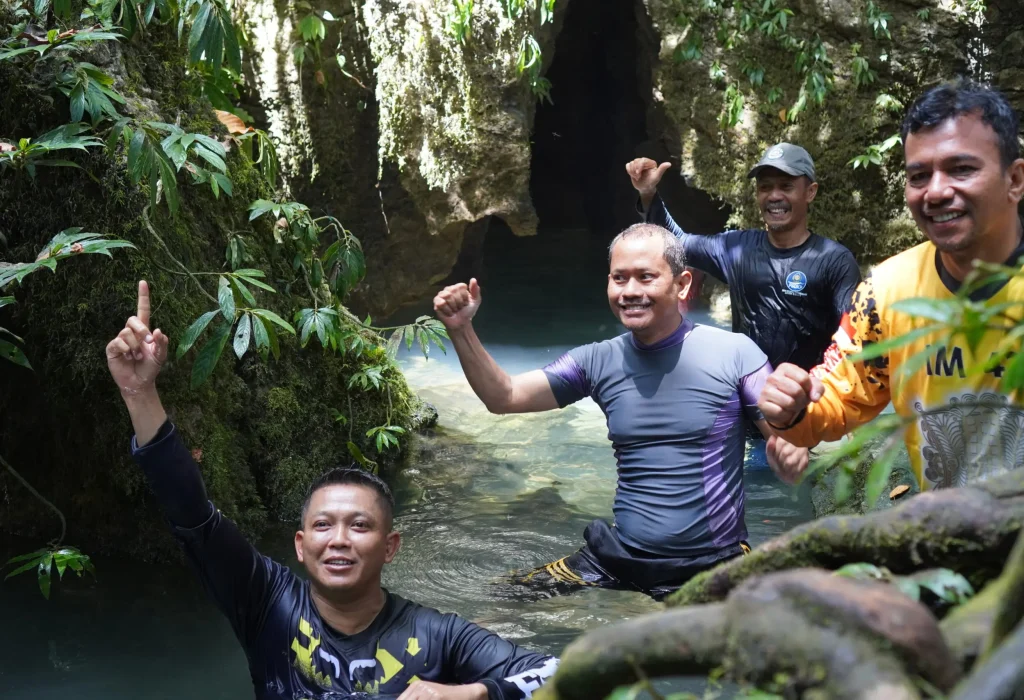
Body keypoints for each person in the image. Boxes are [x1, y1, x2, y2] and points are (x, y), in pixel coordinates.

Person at [106, 281, 558, 700]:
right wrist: (139, 393)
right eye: (323, 525)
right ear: (300, 546)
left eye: (360, 526)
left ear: (390, 547)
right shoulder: (265, 603)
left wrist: (472, 693)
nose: (338, 539)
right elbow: (192, 515)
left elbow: (559, 672)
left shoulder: (439, 635)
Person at [433, 224, 808, 601]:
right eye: (619, 278)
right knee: (495, 601)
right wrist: (461, 328)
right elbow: (505, 397)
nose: (630, 292)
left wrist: (791, 447)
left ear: (683, 283)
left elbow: (784, 433)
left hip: (712, 562)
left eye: (646, 277)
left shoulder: (735, 353)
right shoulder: (598, 360)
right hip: (618, 557)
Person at [758, 79, 1024, 490]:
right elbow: (832, 406)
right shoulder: (887, 292)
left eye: (961, 169)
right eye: (919, 175)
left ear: (1015, 180)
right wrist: (788, 410)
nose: (936, 191)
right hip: (946, 539)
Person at [626, 145, 862, 468]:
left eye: (786, 186)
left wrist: (848, 412)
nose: (774, 196)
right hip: (749, 424)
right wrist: (649, 194)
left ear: (810, 192)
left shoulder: (833, 261)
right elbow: (675, 243)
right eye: (765, 187)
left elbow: (856, 339)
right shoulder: (737, 249)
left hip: (811, 422)